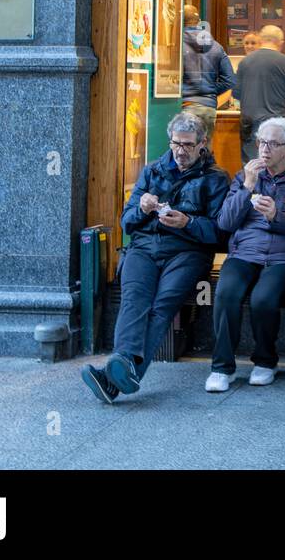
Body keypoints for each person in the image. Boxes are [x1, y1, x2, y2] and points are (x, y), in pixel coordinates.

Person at [82, 112, 229, 403]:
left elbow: (220, 233)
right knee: (135, 296)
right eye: (176, 143)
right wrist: (143, 209)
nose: (181, 151)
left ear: (203, 144)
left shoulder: (215, 179)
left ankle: (115, 377)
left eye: (188, 145)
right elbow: (126, 222)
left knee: (162, 305)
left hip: (187, 251)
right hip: (144, 246)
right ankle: (124, 365)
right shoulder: (152, 171)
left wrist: (187, 222)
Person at [207, 117, 285, 392]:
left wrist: (277, 215)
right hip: (244, 253)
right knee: (226, 293)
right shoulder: (244, 177)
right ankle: (222, 367)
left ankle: (265, 361)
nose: (264, 149)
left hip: (283, 257)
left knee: (263, 298)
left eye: (273, 143)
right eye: (262, 142)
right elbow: (226, 223)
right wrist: (248, 187)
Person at [234, 25, 285, 163]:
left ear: (261, 40)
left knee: (251, 166)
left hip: (248, 123)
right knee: (274, 166)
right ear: (280, 42)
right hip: (275, 123)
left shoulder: (245, 61)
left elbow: (236, 93)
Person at [180, 5, 236, 140]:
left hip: (185, 105)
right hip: (208, 108)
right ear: (199, 21)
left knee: (183, 150)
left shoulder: (176, 44)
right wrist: (208, 89)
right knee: (204, 150)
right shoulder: (216, 46)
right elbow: (229, 80)